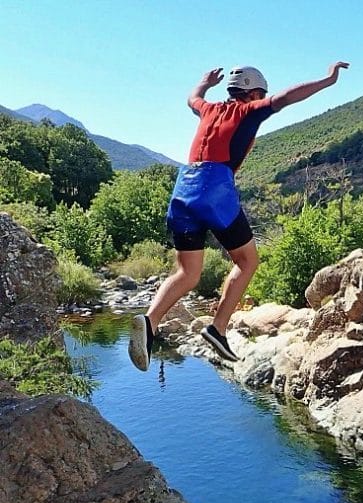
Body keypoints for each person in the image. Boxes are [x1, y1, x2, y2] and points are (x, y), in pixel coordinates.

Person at [129, 61, 349, 371]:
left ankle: (149, 323)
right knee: (247, 261)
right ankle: (217, 328)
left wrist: (204, 84)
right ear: (253, 92)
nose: (262, 98)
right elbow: (287, 96)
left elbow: (192, 99)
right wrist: (328, 80)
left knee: (187, 273)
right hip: (214, 189)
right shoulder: (248, 111)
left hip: (182, 191)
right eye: (260, 94)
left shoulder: (207, 109)